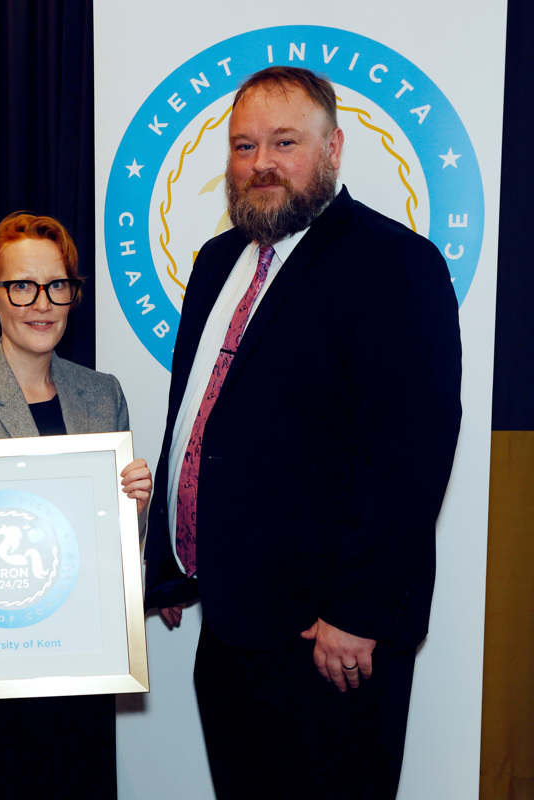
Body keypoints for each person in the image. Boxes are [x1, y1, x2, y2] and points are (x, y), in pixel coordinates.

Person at [142, 66, 462, 799]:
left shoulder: (393, 264)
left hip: (328, 638)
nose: (261, 163)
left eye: (285, 141)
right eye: (244, 145)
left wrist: (356, 613)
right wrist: (169, 557)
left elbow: (409, 456)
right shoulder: (218, 261)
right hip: (230, 622)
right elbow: (194, 415)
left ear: (334, 148)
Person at [0, 212, 151, 797]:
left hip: (80, 674)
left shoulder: (103, 395)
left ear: (73, 295)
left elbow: (115, 559)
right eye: (21, 286)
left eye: (57, 285)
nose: (41, 303)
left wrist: (133, 513)